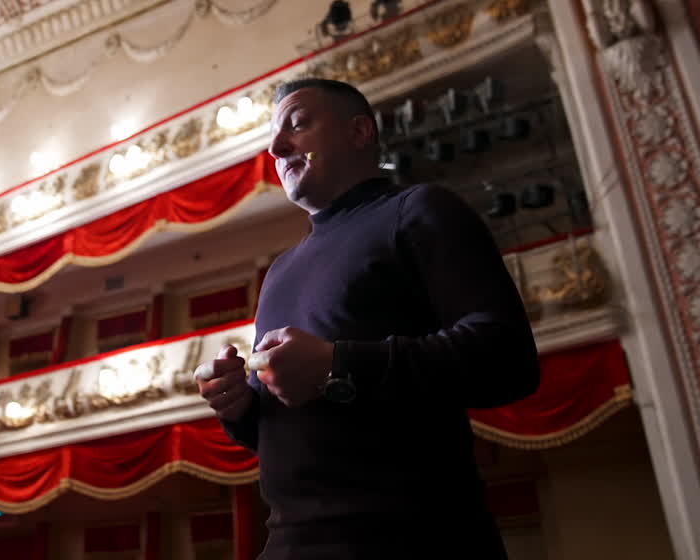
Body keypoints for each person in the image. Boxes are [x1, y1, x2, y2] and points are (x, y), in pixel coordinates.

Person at [195, 78, 540, 559]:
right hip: (289, 542)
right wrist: (239, 408)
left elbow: (507, 357)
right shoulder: (280, 270)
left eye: (297, 124)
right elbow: (293, 425)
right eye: (274, 137)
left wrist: (338, 363)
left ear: (359, 132)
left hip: (412, 537)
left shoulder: (418, 209)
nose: (276, 146)